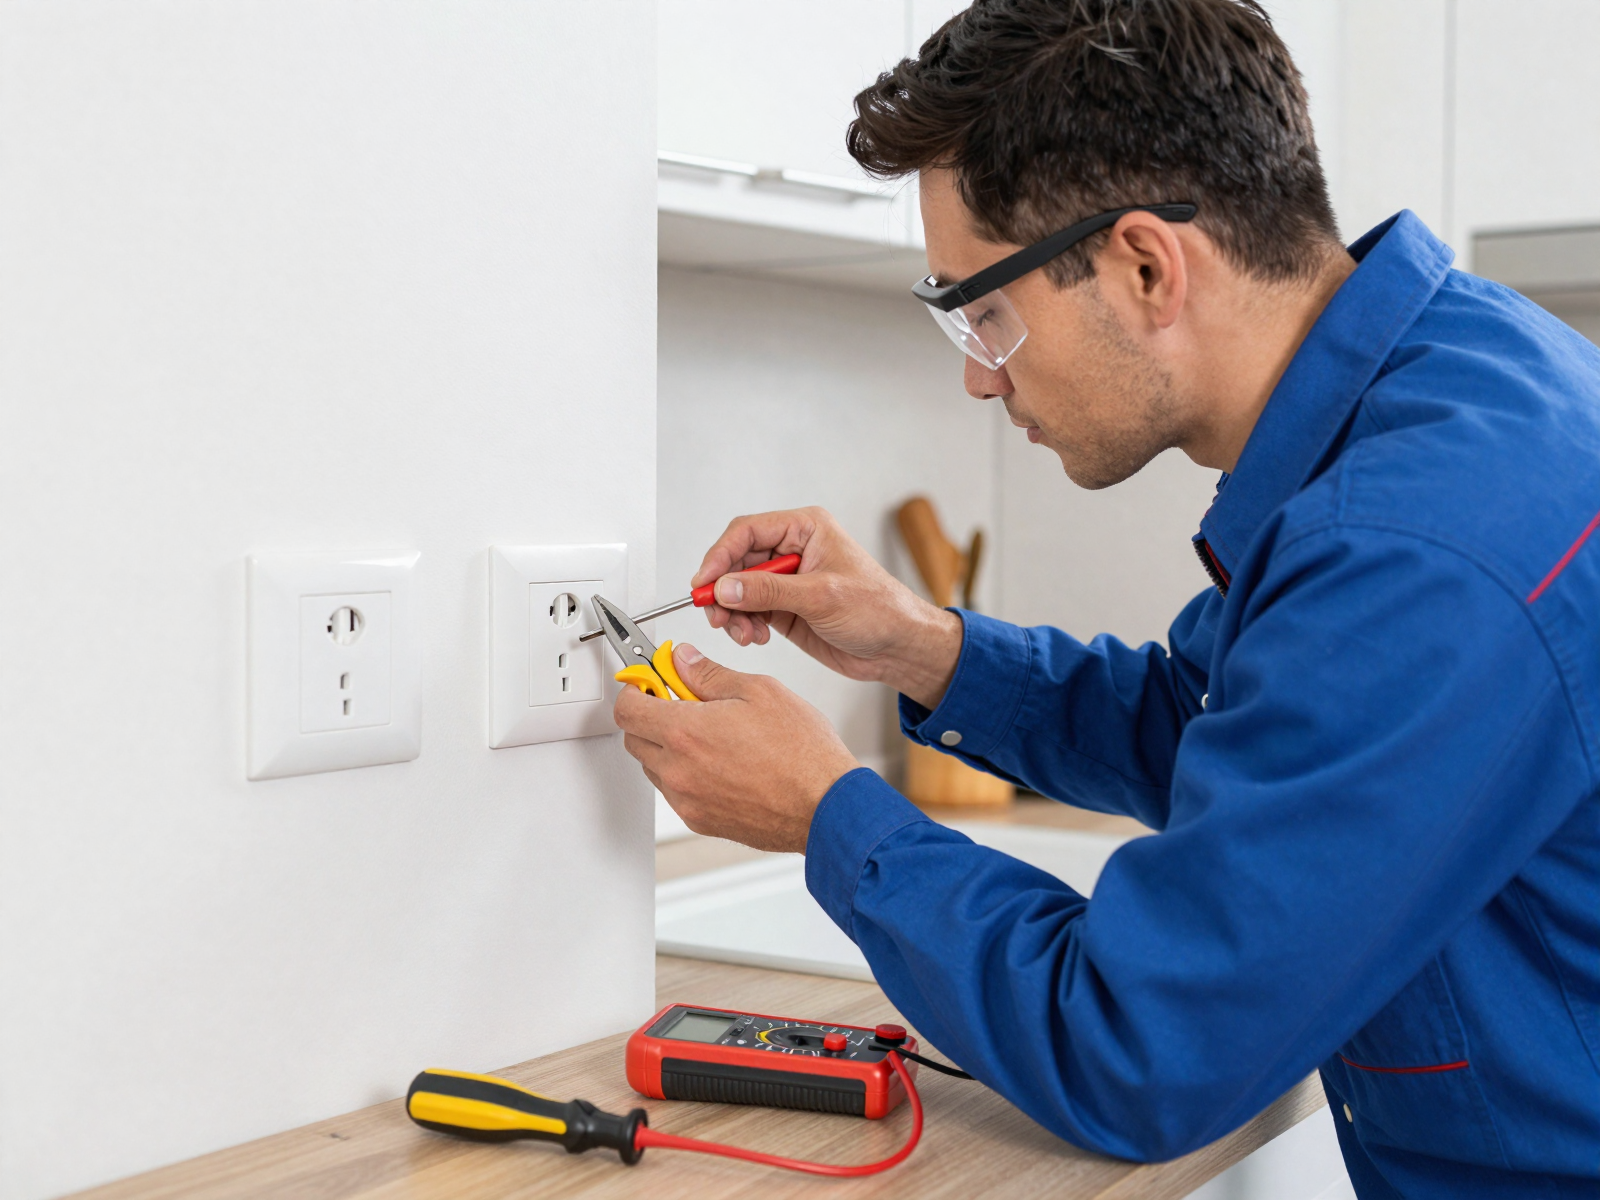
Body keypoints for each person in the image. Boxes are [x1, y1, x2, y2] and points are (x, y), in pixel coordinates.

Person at [614, 2, 1600, 1196]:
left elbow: (1136, 1051)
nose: (982, 378)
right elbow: (1227, 727)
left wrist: (827, 814)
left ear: (1144, 265)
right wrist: (924, 648)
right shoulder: (1447, 394)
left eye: (983, 310)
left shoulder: (1415, 546)